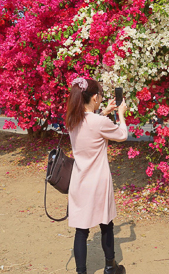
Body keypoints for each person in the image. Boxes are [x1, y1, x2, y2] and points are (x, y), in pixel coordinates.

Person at [65, 77, 128, 274]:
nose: (101, 98)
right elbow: (122, 135)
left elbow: (89, 124)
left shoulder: (72, 120)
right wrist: (120, 113)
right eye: (100, 95)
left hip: (79, 180)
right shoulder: (99, 122)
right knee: (106, 224)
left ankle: (81, 271)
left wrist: (104, 112)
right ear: (94, 97)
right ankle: (110, 267)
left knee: (81, 231)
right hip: (99, 181)